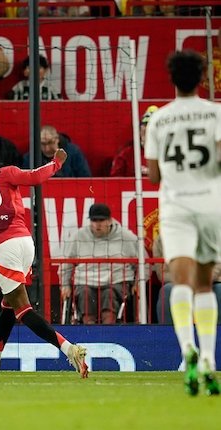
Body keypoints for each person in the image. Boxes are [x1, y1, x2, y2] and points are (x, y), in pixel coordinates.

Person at [0, 147, 88, 377]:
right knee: (9, 302)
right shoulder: (6, 172)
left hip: (3, 250)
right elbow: (35, 177)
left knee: (23, 309)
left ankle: (69, 349)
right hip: (25, 243)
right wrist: (56, 163)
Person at [145, 50, 220, 396]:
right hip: (209, 204)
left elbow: (154, 175)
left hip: (175, 207)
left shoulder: (159, 120)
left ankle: (187, 348)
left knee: (179, 281)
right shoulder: (215, 113)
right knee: (205, 284)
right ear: (202, 78)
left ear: (172, 79)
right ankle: (207, 359)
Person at [59, 203, 146, 324]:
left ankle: (108, 328)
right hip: (85, 282)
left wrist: (139, 282)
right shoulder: (78, 236)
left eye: (101, 220)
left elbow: (144, 262)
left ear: (110, 220)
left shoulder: (126, 237)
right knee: (85, 294)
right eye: (94, 220)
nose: (97, 224)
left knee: (109, 294)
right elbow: (66, 263)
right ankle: (88, 328)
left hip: (117, 281)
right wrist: (65, 284)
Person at [22, 125, 91, 177]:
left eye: (50, 143)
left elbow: (85, 177)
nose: (46, 148)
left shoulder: (73, 152)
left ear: (57, 139)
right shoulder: (30, 157)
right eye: (42, 144)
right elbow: (25, 178)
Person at [109, 105, 158, 177]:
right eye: (146, 125)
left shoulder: (168, 153)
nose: (149, 129)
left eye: (153, 126)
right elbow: (115, 181)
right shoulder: (126, 155)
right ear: (139, 130)